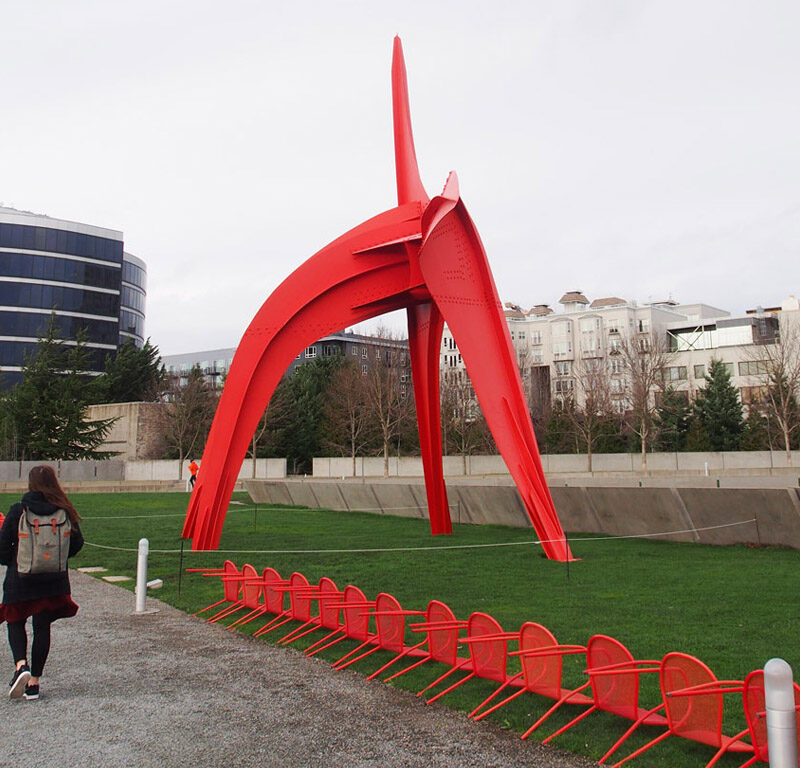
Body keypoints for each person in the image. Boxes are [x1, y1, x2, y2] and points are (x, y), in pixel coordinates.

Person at [0, 465, 83, 701]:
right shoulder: (64, 511)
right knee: (42, 627)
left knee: (15, 620)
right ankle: (34, 682)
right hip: (53, 579)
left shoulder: (19, 510)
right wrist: (54, 556)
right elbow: (77, 544)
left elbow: (2, 549)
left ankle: (20, 665)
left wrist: (17, 561)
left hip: (22, 576)